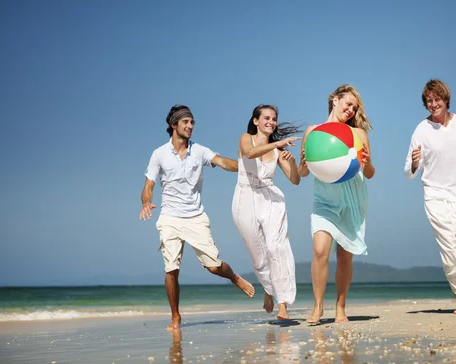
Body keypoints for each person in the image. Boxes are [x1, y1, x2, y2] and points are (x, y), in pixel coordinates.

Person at [140, 105, 255, 331]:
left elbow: (222, 161)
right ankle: (175, 317)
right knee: (171, 269)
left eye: (192, 122)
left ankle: (233, 277)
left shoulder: (199, 151)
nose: (191, 126)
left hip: (195, 217)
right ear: (174, 125)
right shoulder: (159, 154)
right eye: (186, 122)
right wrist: (146, 202)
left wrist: (243, 166)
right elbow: (148, 185)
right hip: (169, 218)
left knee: (213, 267)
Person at [404, 79, 456, 315]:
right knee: (449, 250)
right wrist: (413, 163)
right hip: (435, 196)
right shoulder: (421, 130)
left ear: (445, 99)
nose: (433, 104)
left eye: (436, 99)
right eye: (428, 101)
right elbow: (408, 173)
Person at [298, 84, 374, 324]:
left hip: (352, 199)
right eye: (347, 104)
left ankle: (340, 307)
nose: (350, 110)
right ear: (334, 100)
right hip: (325, 199)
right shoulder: (313, 131)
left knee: (344, 258)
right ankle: (318, 307)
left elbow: (369, 173)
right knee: (320, 250)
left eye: (354, 107)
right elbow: (302, 174)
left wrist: (367, 162)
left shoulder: (358, 134)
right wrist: (301, 163)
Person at [232, 105, 301, 320]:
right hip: (245, 199)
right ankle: (269, 289)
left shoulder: (277, 151)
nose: (271, 122)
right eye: (266, 118)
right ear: (256, 121)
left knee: (277, 248)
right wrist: (278, 143)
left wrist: (293, 162)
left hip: (271, 200)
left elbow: (295, 180)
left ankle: (283, 305)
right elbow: (250, 153)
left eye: (274, 119)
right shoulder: (246, 138)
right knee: (259, 257)